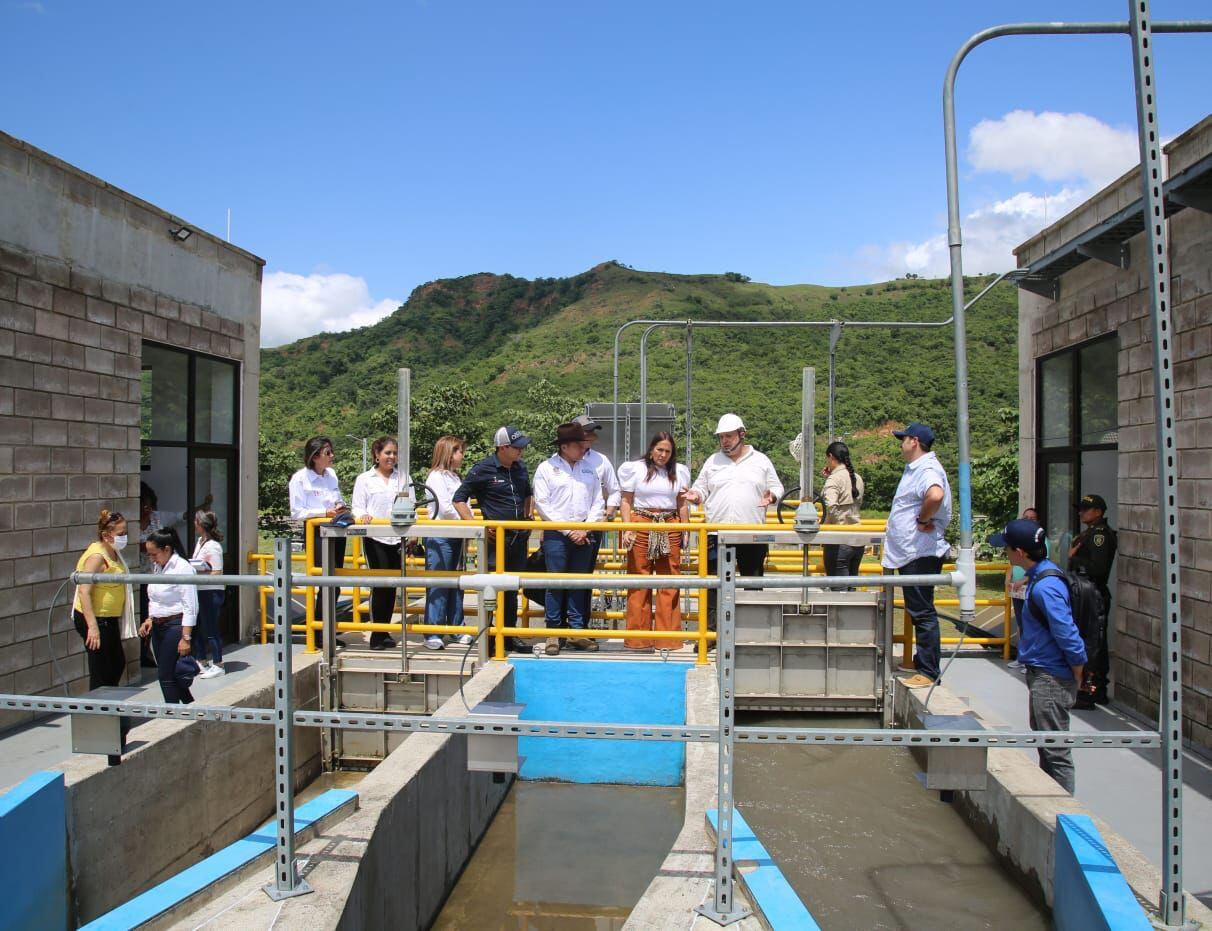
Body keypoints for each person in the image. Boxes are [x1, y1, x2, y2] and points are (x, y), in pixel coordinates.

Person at [989, 518, 1086, 793]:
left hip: (1050, 677)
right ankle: (1052, 801)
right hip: (1043, 673)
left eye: (1007, 549)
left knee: (1056, 751)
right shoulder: (1040, 577)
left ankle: (1064, 811)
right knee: (1046, 745)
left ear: (1020, 552)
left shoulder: (1046, 586)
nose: (1004, 553)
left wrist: (1078, 668)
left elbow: (1066, 631)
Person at [682, 413, 784, 630]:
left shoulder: (761, 460)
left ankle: (753, 631)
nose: (725, 441)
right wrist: (696, 495)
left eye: (729, 436)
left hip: (751, 534)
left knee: (753, 583)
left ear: (742, 434)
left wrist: (772, 496)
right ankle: (712, 634)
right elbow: (701, 488)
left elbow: (777, 487)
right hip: (717, 535)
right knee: (713, 586)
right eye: (721, 437)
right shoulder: (713, 461)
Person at [882, 422, 952, 688]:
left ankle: (929, 671)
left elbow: (935, 495)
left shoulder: (927, 468)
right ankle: (922, 663)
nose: (901, 444)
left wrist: (923, 519)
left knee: (922, 612)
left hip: (918, 552)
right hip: (910, 552)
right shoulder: (918, 469)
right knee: (918, 610)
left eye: (903, 439)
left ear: (914, 441)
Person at [453, 426, 534, 654]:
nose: (521, 451)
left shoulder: (520, 468)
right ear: (503, 447)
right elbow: (459, 499)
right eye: (517, 447)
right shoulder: (483, 469)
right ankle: (486, 635)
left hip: (518, 538)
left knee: (511, 589)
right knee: (490, 589)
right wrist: (477, 525)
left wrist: (528, 517)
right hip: (494, 540)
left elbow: (528, 494)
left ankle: (508, 634)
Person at [533, 422, 605, 655]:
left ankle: (576, 630)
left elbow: (598, 501)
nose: (584, 448)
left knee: (578, 582)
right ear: (565, 446)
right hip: (557, 534)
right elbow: (542, 504)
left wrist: (587, 528)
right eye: (579, 444)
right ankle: (553, 632)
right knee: (555, 583)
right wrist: (568, 530)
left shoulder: (589, 469)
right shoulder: (546, 468)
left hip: (583, 532)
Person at [619, 432, 691, 652]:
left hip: (670, 523)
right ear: (651, 449)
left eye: (668, 451)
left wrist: (686, 529)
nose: (663, 455)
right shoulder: (634, 468)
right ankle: (638, 638)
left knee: (670, 579)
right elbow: (625, 501)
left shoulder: (680, 471)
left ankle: (667, 639)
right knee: (639, 579)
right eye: (659, 449)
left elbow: (683, 503)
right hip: (641, 522)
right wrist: (627, 527)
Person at [289, 436, 348, 648]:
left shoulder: (331, 475)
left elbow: (336, 497)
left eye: (332, 452)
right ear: (315, 457)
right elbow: (297, 512)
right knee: (324, 582)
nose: (332, 456)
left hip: (336, 529)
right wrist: (323, 512)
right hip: (317, 532)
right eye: (327, 453)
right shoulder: (300, 479)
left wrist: (339, 507)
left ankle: (329, 630)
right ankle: (320, 632)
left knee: (335, 583)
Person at [351, 436, 407, 651]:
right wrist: (363, 515)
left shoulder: (402, 477)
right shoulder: (365, 479)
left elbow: (410, 504)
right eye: (387, 453)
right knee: (380, 584)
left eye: (394, 453)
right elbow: (358, 507)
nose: (391, 457)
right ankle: (377, 633)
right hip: (375, 537)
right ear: (377, 454)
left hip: (397, 536)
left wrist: (411, 535)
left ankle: (385, 632)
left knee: (392, 585)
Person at [72, 509, 135, 689]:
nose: (124, 537)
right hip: (95, 619)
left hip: (108, 618)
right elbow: (84, 592)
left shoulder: (113, 551)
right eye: (121, 534)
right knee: (102, 669)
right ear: (107, 536)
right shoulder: (97, 557)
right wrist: (92, 627)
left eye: (126, 533)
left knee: (116, 663)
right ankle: (99, 711)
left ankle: (109, 706)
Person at [1069, 493, 1117, 707]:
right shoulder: (1089, 533)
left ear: (1098, 512)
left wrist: (1074, 558)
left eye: (1086, 509)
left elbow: (1098, 569)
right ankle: (1088, 688)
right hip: (1084, 593)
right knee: (1087, 640)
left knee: (1094, 644)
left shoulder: (1100, 535)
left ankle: (1092, 690)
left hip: (1093, 592)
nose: (1081, 512)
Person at [139, 529, 198, 704]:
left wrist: (185, 638)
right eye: (149, 555)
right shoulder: (158, 566)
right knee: (172, 673)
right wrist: (150, 619)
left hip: (175, 625)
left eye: (154, 554)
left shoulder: (182, 568)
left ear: (167, 549)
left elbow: (190, 606)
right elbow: (155, 598)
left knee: (166, 676)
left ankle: (173, 716)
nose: (152, 559)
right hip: (159, 626)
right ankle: (190, 709)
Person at [422, 436, 470, 651]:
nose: (462, 455)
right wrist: (466, 518)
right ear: (449, 453)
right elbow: (445, 507)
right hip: (441, 534)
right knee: (439, 583)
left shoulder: (455, 477)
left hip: (458, 534)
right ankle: (433, 631)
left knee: (456, 584)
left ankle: (456, 627)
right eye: (459, 451)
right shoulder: (436, 477)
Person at [572, 414, 621, 571]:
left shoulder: (601, 460)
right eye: (587, 432)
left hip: (592, 526)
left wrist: (608, 514)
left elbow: (614, 490)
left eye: (592, 432)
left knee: (586, 573)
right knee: (558, 575)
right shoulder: (555, 461)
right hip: (565, 526)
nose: (591, 436)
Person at [819, 440, 866, 583]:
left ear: (831, 457)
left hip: (838, 540)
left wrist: (822, 525)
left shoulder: (834, 479)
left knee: (838, 592)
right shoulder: (857, 478)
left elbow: (830, 507)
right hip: (858, 539)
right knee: (852, 588)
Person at [1006, 506, 1044, 671]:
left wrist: (1025, 579)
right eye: (1025, 518)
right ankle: (1023, 657)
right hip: (1017, 590)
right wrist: (1009, 577)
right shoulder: (1018, 540)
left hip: (1029, 588)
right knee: (1022, 623)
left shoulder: (1040, 542)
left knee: (1031, 625)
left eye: (1032, 519)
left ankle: (1031, 660)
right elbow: (1011, 565)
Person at [191, 510, 226, 679]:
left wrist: (201, 573)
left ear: (200, 524)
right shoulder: (200, 542)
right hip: (198, 590)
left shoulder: (213, 546)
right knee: (196, 626)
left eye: (196, 522)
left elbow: (217, 571)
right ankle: (201, 659)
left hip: (211, 591)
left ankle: (218, 663)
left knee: (211, 629)